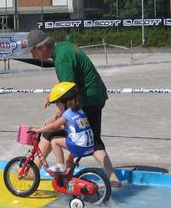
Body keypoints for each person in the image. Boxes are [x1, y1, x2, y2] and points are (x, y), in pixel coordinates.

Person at [26, 28, 122, 187]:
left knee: (52, 130)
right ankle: (113, 178)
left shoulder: (62, 58)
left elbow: (68, 89)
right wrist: (52, 93)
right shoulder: (63, 47)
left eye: (33, 52)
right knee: (93, 140)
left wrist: (57, 116)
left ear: (42, 47)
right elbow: (64, 78)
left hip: (87, 99)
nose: (32, 56)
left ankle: (33, 170)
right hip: (97, 97)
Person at [31, 82, 94, 173]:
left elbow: (54, 126)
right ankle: (67, 179)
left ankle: (60, 165)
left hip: (80, 146)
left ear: (64, 102)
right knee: (68, 159)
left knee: (55, 141)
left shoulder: (67, 114)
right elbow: (64, 127)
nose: (56, 106)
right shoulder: (79, 111)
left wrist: (38, 130)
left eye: (57, 103)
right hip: (89, 146)